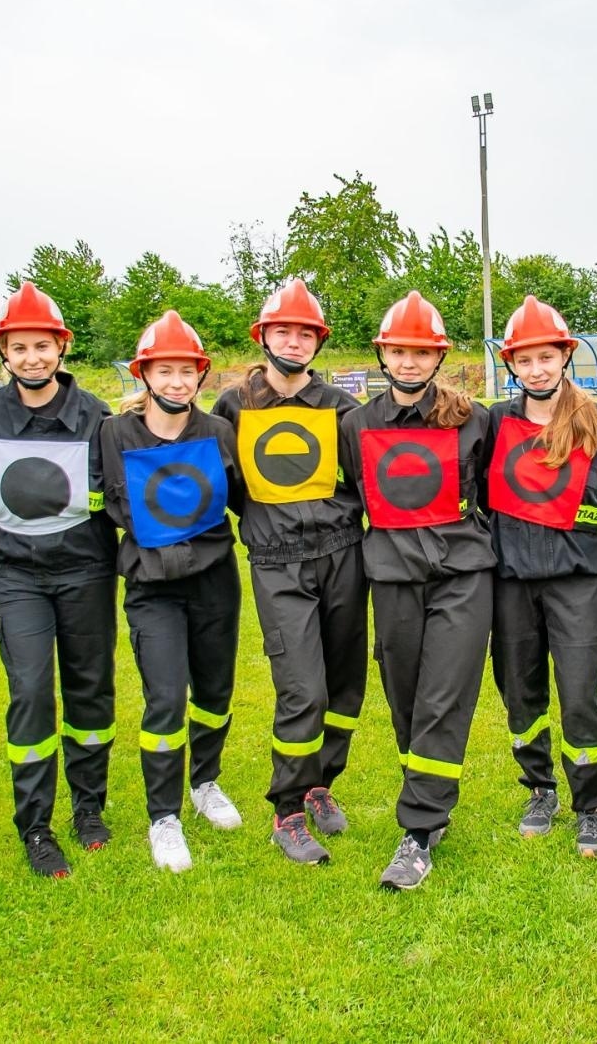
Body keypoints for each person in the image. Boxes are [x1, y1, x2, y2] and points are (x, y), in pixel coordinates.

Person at [337, 290, 495, 891]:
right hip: (393, 575)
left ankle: (419, 830)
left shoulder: (471, 417)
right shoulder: (357, 425)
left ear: (439, 357)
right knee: (404, 696)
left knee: (443, 697)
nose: (409, 362)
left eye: (421, 352)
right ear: (383, 354)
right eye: (399, 351)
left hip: (462, 574)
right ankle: (430, 797)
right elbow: (353, 494)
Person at [211, 279, 367, 866]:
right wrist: (267, 524)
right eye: (283, 331)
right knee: (303, 688)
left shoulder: (341, 408)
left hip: (343, 553)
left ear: (318, 341)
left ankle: (320, 783)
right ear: (264, 336)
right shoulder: (234, 406)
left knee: (344, 686)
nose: (294, 342)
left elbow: (363, 479)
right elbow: (227, 484)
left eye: (305, 333)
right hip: (277, 562)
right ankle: (287, 812)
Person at [0, 282, 118, 879]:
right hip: (15, 576)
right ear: (3, 352)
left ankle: (88, 807)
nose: (32, 358)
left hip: (85, 571)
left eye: (43, 346)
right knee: (30, 692)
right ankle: (35, 825)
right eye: (20, 348)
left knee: (90, 690)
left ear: (62, 347)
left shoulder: (96, 416)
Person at [100, 311, 245, 873]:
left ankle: (205, 781)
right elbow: (115, 507)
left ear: (200, 374)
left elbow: (241, 497)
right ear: (144, 373)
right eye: (165, 370)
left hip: (214, 581)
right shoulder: (115, 433)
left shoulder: (218, 432)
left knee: (214, 692)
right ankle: (164, 816)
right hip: (153, 586)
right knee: (165, 699)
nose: (177, 382)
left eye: (187, 371)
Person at [482, 296, 597, 856]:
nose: (536, 370)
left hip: (574, 580)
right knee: (520, 690)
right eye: (525, 360)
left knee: (580, 693)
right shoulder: (495, 422)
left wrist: (575, 521)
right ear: (511, 364)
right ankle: (540, 788)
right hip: (511, 580)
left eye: (546, 357)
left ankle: (591, 807)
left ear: (565, 356)